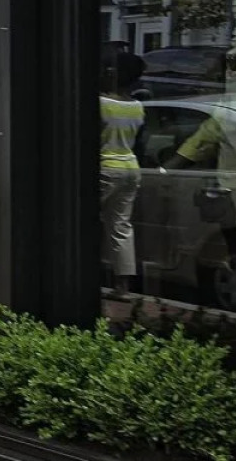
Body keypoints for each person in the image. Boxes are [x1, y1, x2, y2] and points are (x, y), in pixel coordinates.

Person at [99, 45, 146, 291]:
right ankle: (123, 286)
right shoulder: (137, 106)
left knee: (81, 222)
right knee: (121, 226)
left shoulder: (101, 104)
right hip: (130, 166)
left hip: (105, 165)